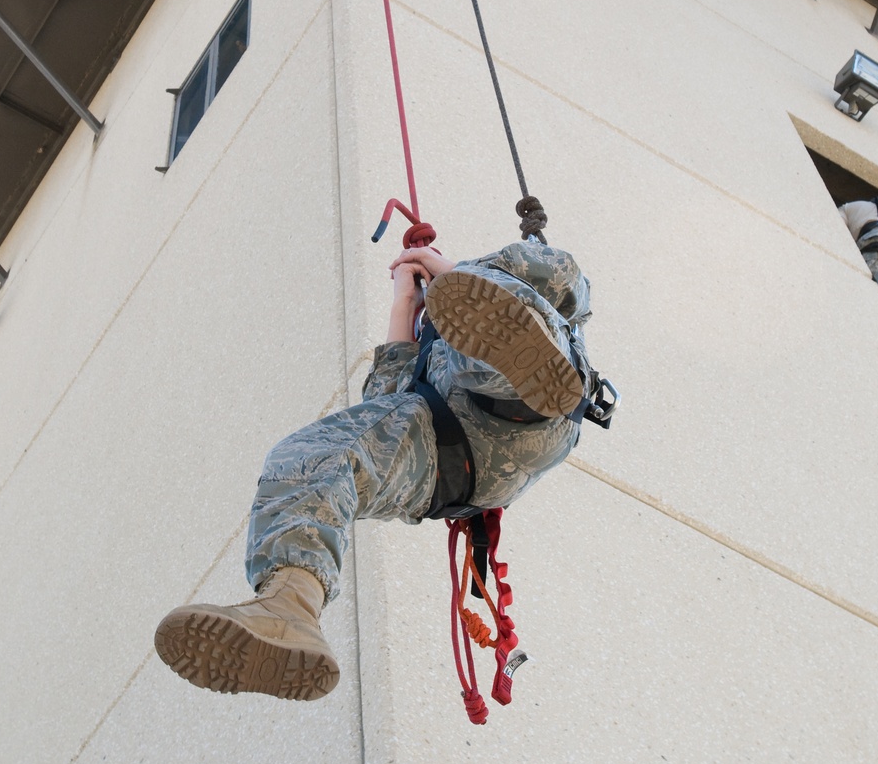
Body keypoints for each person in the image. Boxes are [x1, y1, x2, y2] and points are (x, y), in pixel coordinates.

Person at [154, 238, 612, 701]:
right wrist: (406, 301)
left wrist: (452, 271)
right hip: (446, 459)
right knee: (315, 455)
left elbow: (562, 275)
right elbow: (383, 408)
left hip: (530, 411)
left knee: (478, 348)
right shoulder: (443, 326)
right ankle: (289, 606)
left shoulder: (508, 281)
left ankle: (521, 355)